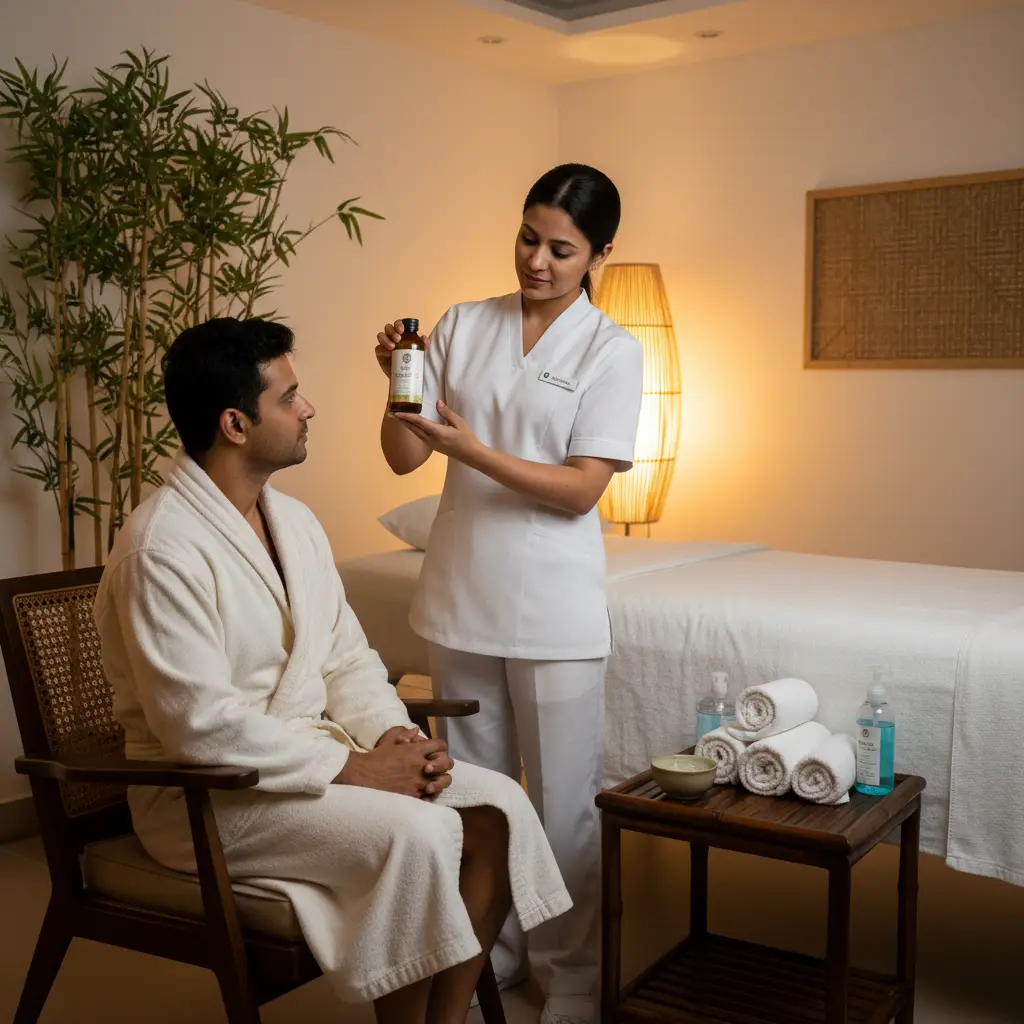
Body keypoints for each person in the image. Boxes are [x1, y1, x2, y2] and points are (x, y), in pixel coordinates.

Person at [94, 317, 571, 1024]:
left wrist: (390, 739)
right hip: (205, 797)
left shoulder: (293, 522)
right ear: (234, 423)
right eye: (290, 397)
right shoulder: (161, 551)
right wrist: (353, 770)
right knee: (419, 833)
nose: (309, 407)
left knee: (496, 806)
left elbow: (345, 658)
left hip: (303, 761)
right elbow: (200, 731)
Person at [376, 163, 643, 1024]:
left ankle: (571, 975)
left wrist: (470, 446)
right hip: (461, 594)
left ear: (601, 253)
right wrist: (400, 382)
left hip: (556, 610)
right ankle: (493, 953)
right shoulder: (462, 322)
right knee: (480, 799)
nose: (537, 261)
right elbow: (404, 457)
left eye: (561, 250)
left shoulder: (611, 349)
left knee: (562, 805)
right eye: (528, 238)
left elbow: (578, 490)